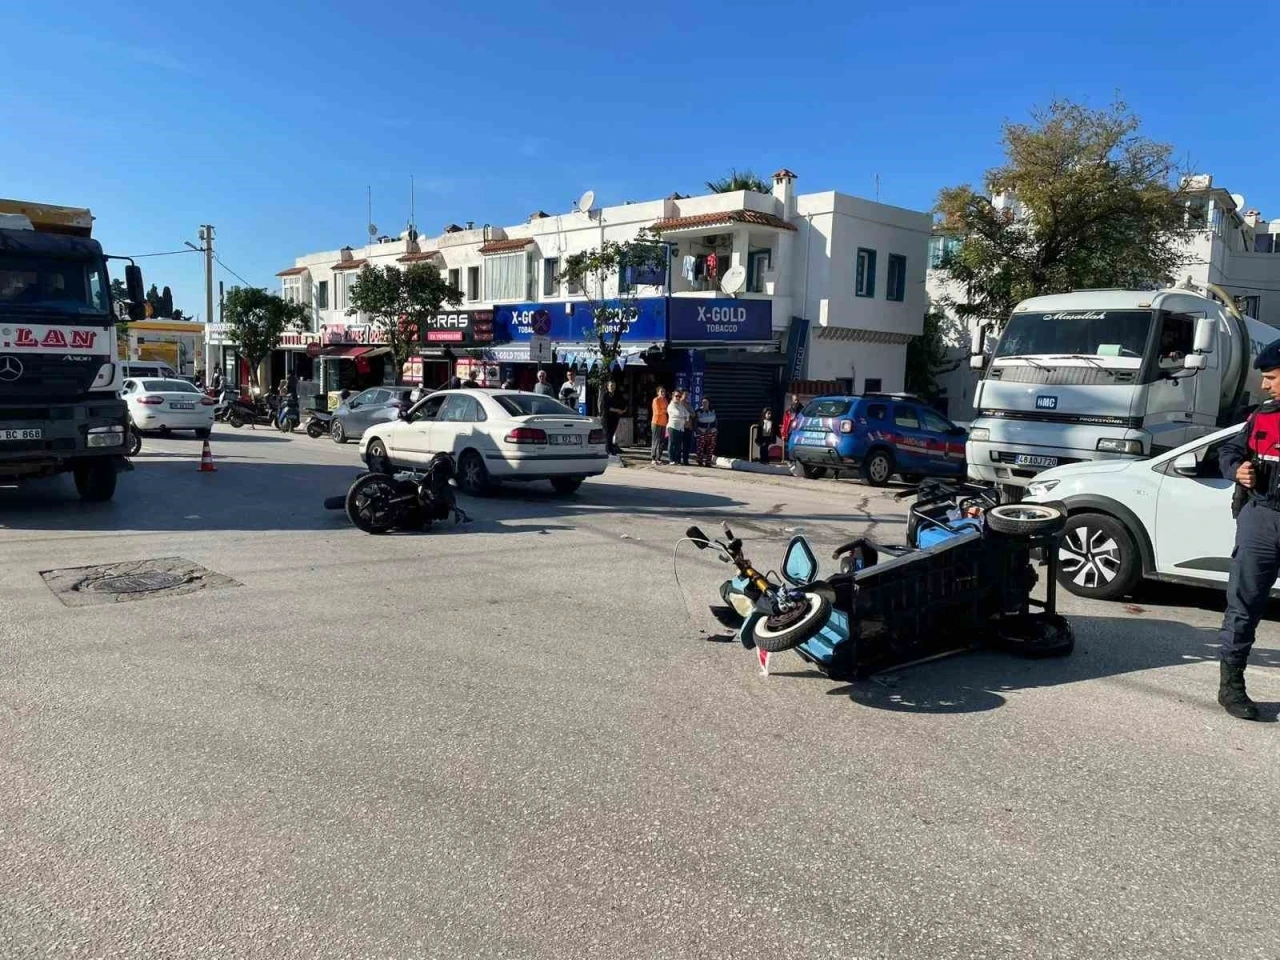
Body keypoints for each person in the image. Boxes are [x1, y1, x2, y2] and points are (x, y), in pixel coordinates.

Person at [1215, 339, 1280, 720]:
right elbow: (1229, 451)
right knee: (1243, 608)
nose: (1264, 385)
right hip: (1262, 519)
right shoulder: (1261, 417)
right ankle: (1231, 687)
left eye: (1271, 377)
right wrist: (1236, 470)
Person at [667, 389, 691, 465]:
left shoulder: (680, 405)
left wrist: (686, 419)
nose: (678, 397)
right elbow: (677, 413)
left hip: (681, 427)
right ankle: (671, 459)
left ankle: (677, 460)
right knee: (672, 443)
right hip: (673, 427)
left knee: (678, 445)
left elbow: (687, 414)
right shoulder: (671, 405)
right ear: (673, 396)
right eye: (676, 396)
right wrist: (684, 417)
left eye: (679, 396)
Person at [603, 380, 626, 456]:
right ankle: (608, 450)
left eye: (614, 386)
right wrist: (617, 410)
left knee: (612, 433)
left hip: (615, 417)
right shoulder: (605, 395)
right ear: (608, 387)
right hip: (607, 417)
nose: (612, 387)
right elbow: (606, 407)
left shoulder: (617, 395)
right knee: (608, 434)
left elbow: (622, 403)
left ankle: (611, 449)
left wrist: (623, 410)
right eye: (611, 386)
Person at [694, 397, 718, 467]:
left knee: (711, 447)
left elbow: (716, 421)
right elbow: (695, 423)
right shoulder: (698, 411)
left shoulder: (712, 410)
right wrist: (697, 430)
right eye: (703, 402)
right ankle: (700, 461)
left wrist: (716, 430)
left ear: (709, 403)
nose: (704, 404)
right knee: (700, 447)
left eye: (706, 402)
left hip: (712, 431)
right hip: (701, 431)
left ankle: (708, 462)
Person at [650, 386, 669, 463]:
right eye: (661, 391)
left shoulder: (665, 400)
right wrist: (665, 410)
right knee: (655, 440)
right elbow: (657, 412)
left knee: (662, 442)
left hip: (664, 423)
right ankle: (653, 458)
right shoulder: (656, 400)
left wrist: (663, 410)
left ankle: (658, 458)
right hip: (656, 422)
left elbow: (668, 410)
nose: (663, 393)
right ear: (658, 393)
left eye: (664, 391)